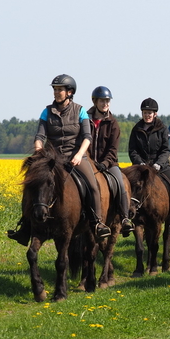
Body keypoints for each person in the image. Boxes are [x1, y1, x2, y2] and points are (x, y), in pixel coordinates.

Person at [7, 74, 111, 245]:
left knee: (92, 185)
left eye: (59, 89)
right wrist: (39, 151)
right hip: (52, 158)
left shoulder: (80, 111)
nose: (56, 92)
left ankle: (97, 223)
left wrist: (79, 155)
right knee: (31, 183)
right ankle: (25, 226)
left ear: (70, 92)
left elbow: (87, 137)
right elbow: (40, 135)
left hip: (76, 156)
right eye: (55, 89)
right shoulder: (46, 111)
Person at [128, 98, 170, 236]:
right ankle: (126, 219)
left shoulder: (162, 129)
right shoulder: (136, 129)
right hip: (141, 168)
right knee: (128, 187)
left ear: (155, 114)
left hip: (160, 166)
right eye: (145, 112)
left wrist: (158, 164)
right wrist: (140, 163)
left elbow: (165, 150)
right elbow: (132, 150)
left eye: (150, 113)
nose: (147, 115)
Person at [87, 86, 135, 235]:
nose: (105, 104)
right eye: (102, 101)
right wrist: (90, 161)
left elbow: (112, 149)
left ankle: (125, 218)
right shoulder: (86, 120)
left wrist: (105, 164)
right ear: (95, 101)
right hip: (88, 162)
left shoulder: (113, 123)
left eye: (107, 101)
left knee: (120, 184)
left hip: (108, 164)